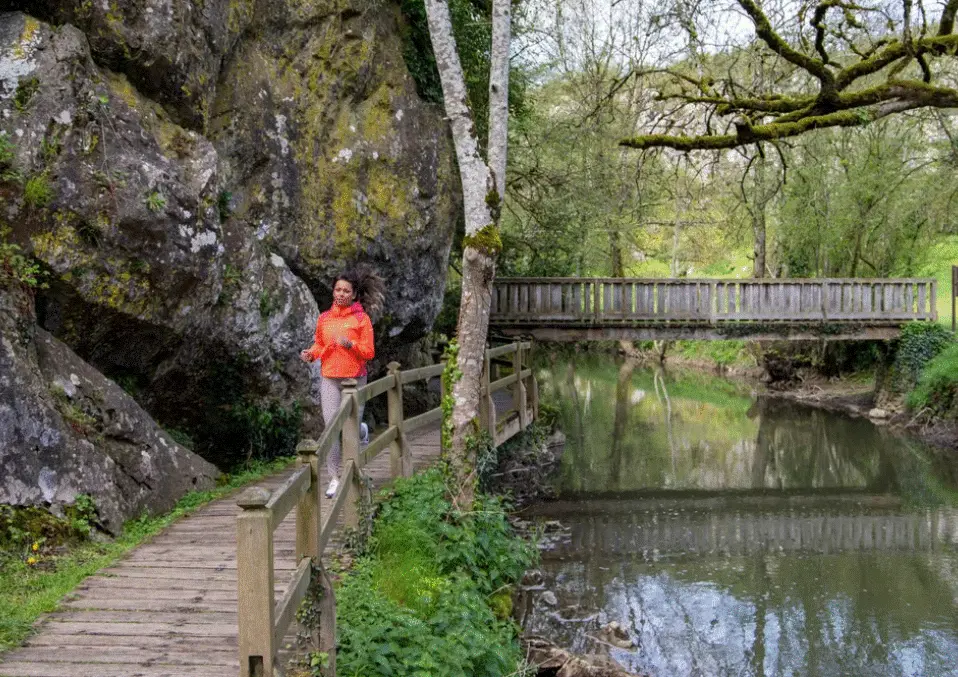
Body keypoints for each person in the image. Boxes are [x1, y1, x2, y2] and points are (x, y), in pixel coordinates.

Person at [300, 266, 384, 497]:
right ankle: (335, 478)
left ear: (354, 294)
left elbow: (369, 352)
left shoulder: (361, 319)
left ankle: (360, 435)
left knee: (350, 428)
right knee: (331, 428)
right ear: (333, 291)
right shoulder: (324, 318)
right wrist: (310, 354)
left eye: (346, 291)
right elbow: (319, 344)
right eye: (338, 290)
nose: (341, 294)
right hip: (329, 377)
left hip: (354, 379)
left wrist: (351, 344)